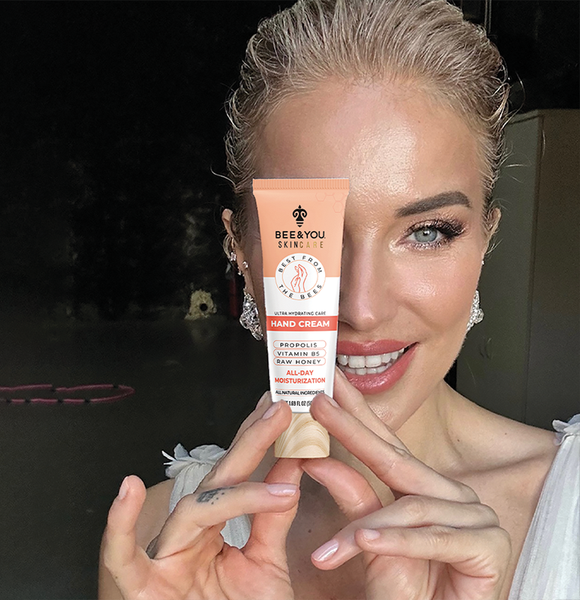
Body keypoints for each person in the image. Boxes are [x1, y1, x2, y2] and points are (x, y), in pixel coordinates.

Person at [98, 1, 580, 598]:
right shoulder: (155, 544)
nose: (361, 308)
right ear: (240, 250)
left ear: (485, 239)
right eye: (307, 237)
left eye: (428, 232)